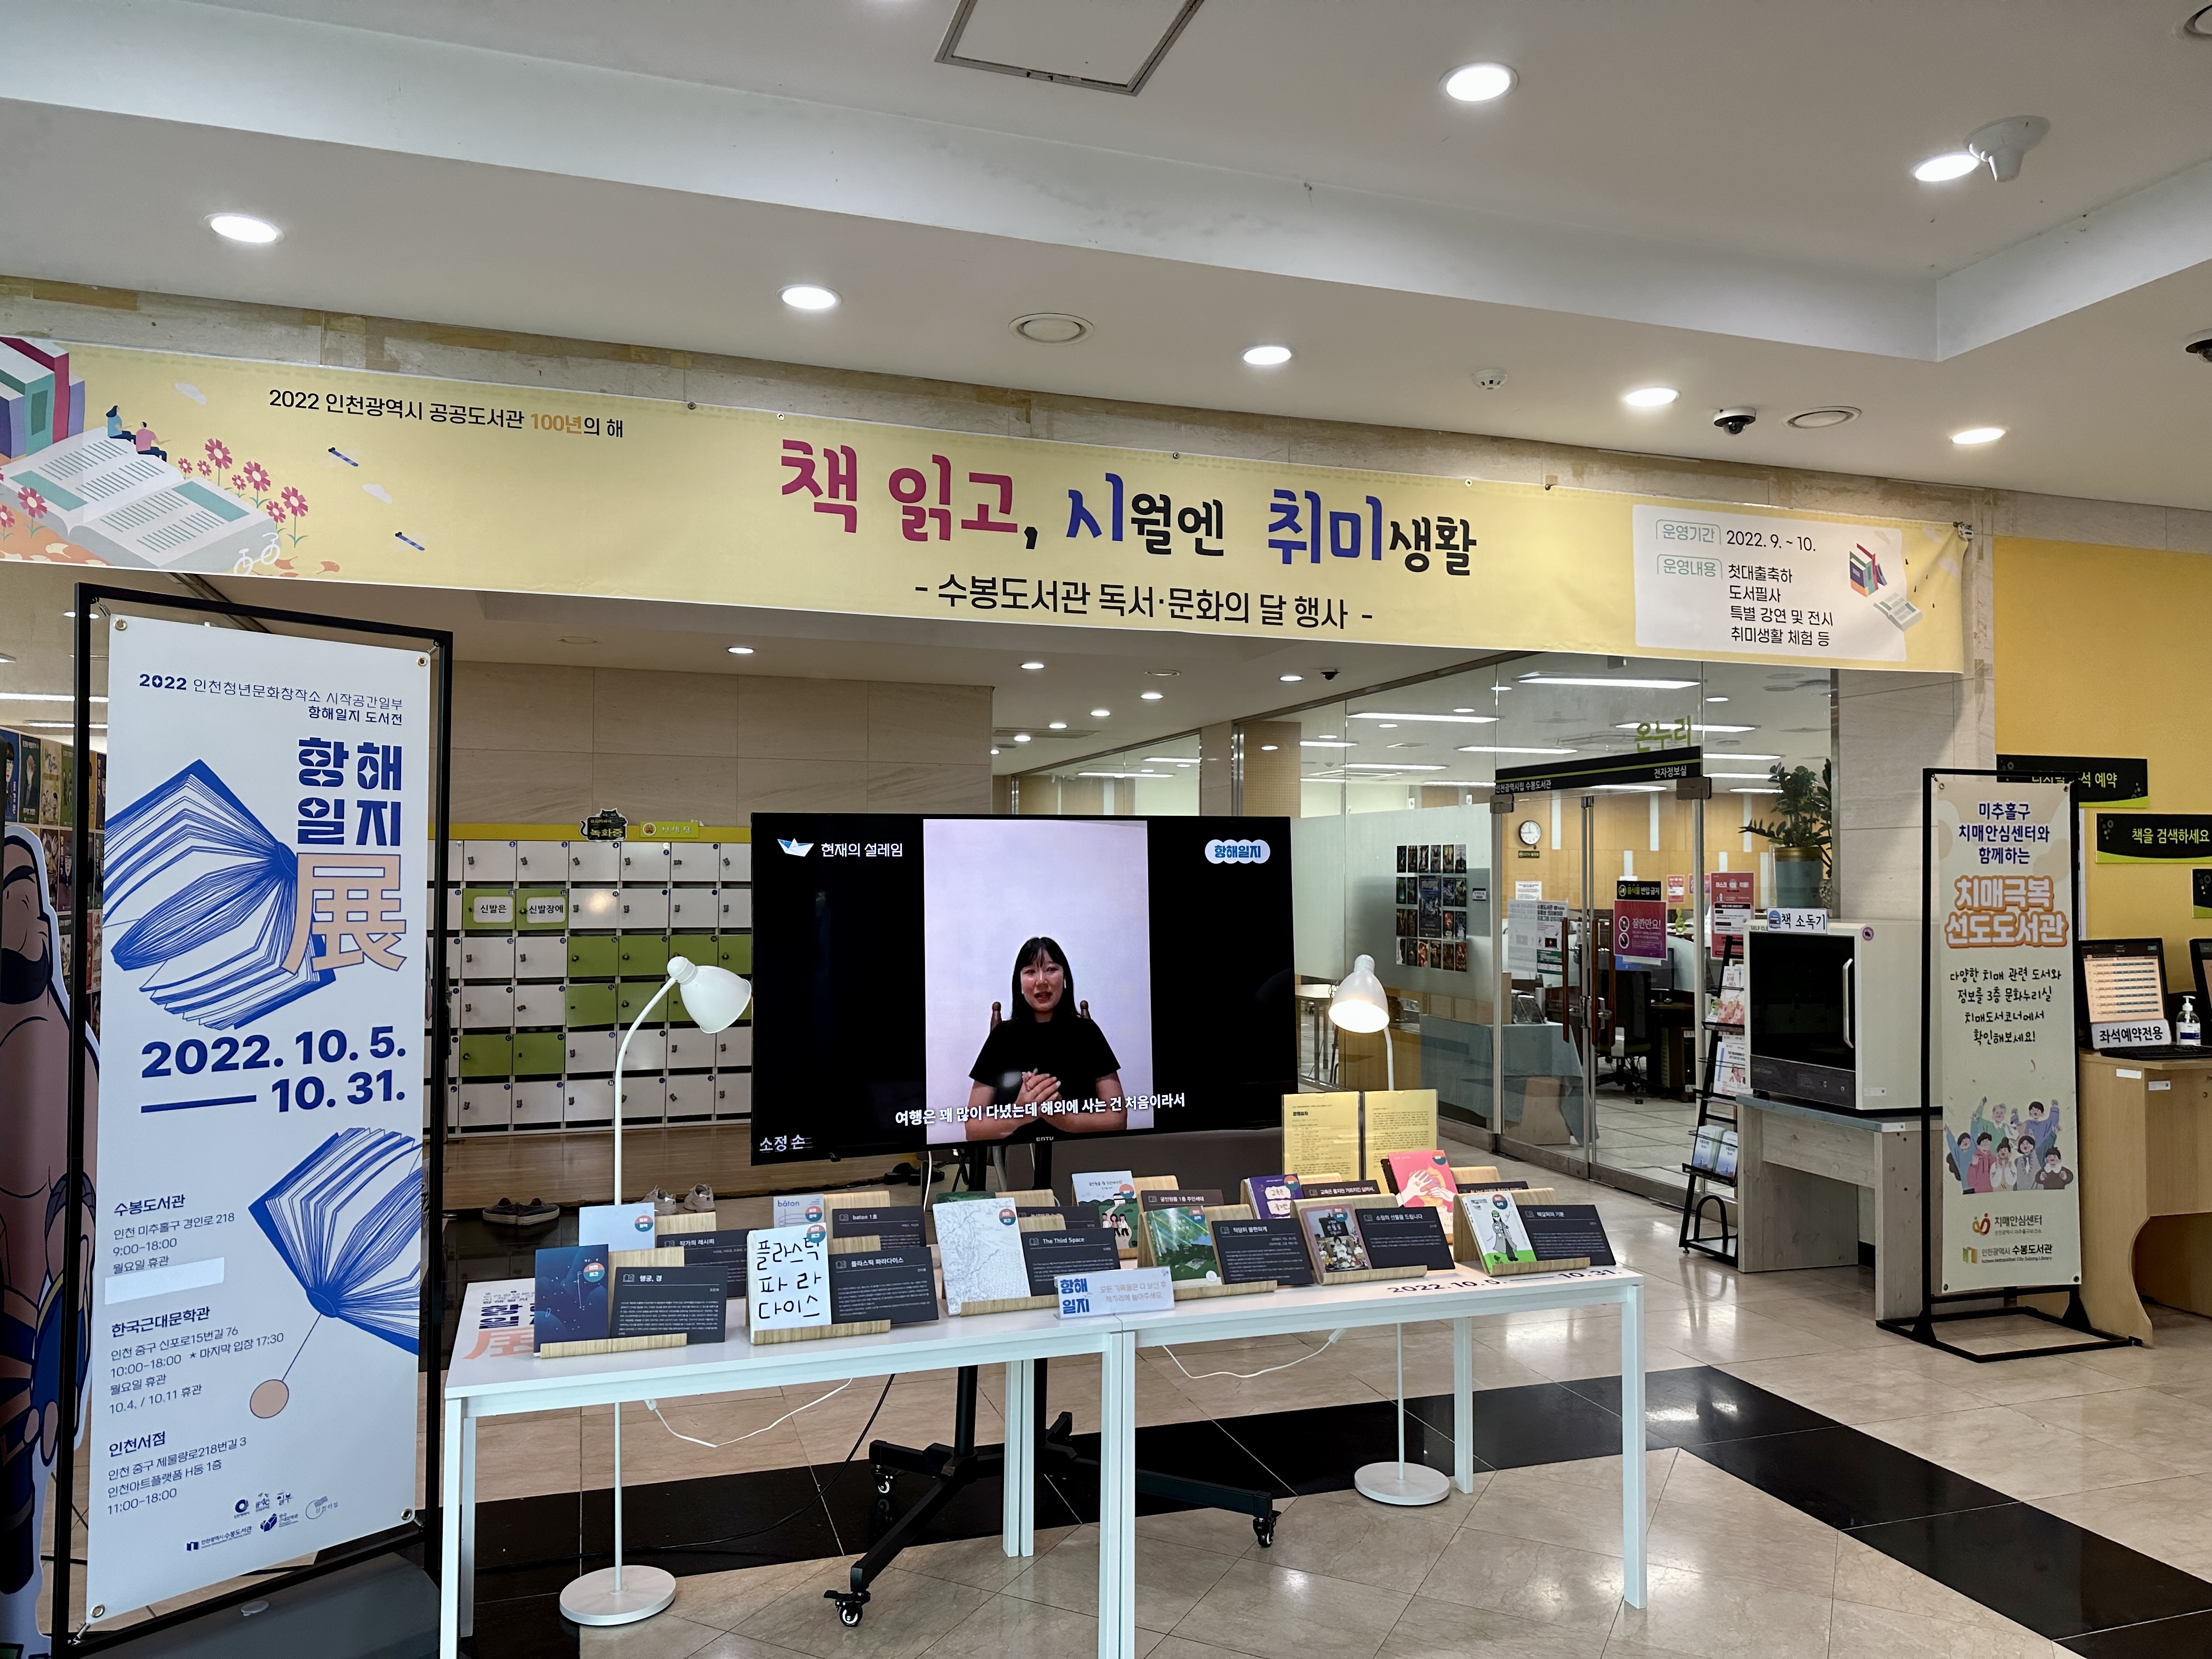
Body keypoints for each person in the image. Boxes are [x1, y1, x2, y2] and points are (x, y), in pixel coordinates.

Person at [962, 936, 1125, 1140]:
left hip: (1079, 1152)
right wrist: (1020, 1113)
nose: (1041, 981)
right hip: (1017, 1155)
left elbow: (1118, 1119)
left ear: (1064, 978)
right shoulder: (1002, 1037)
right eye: (1031, 972)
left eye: (1051, 969)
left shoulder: (1087, 1032)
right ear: (1020, 983)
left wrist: (1066, 1120)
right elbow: (973, 1129)